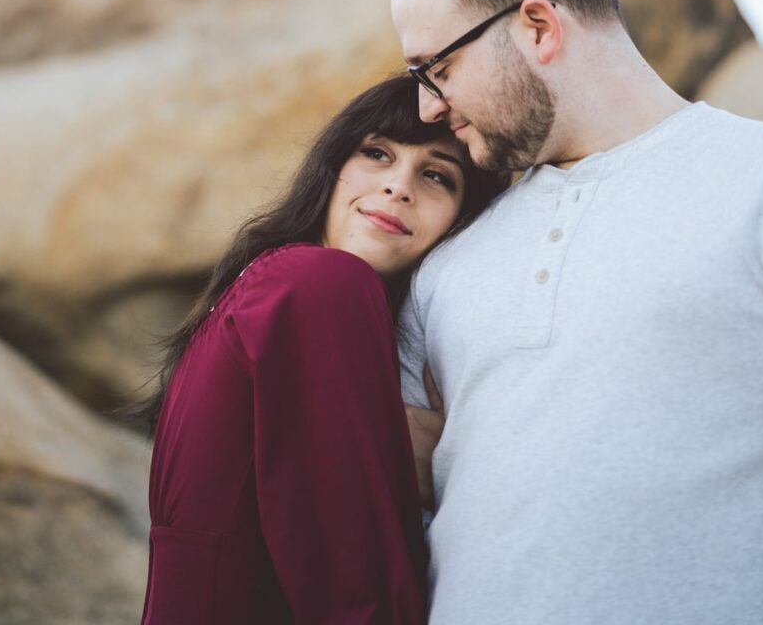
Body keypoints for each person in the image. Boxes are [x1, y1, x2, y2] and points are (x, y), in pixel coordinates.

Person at [390, 0, 763, 625]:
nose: (427, 106)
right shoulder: (447, 253)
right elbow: (394, 490)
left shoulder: (755, 182)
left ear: (536, 26)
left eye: (436, 67)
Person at [134, 75, 506, 624]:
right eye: (377, 153)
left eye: (436, 176)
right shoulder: (319, 283)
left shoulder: (261, 287)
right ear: (331, 170)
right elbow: (353, 576)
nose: (398, 187)